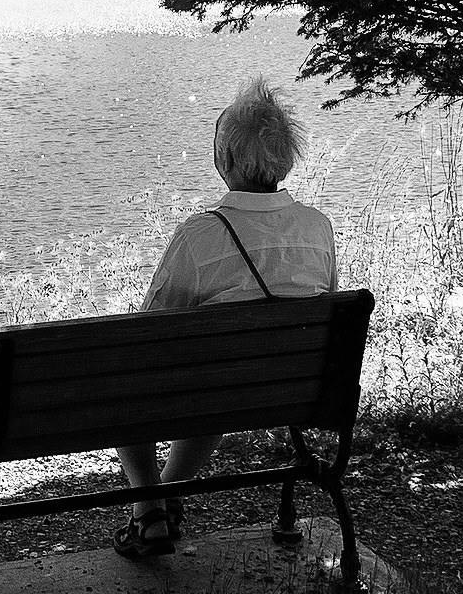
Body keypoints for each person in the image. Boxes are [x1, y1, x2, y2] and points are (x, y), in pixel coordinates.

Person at [114, 76, 336, 561]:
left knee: (124, 371)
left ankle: (150, 509)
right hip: (290, 390)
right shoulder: (317, 227)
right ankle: (164, 501)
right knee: (222, 379)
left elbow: (152, 328)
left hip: (217, 388)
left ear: (227, 160)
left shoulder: (200, 234)